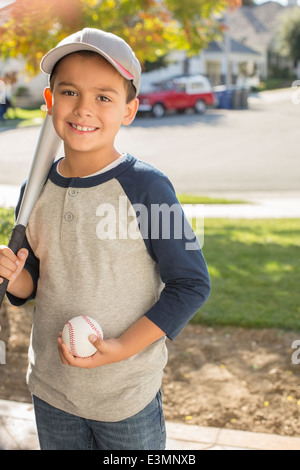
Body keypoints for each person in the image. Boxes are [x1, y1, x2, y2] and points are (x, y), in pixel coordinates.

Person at [0, 28, 211, 450]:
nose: (83, 108)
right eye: (69, 92)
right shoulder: (34, 189)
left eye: (104, 97)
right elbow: (31, 285)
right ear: (50, 101)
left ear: (129, 109)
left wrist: (119, 348)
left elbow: (191, 284)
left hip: (125, 396)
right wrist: (14, 274)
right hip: (52, 389)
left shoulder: (148, 188)